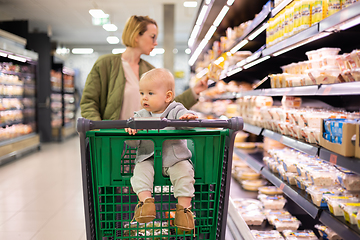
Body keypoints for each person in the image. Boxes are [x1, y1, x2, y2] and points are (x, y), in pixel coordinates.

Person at [80, 15, 208, 121]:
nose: (156, 43)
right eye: (152, 37)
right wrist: (99, 131)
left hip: (144, 142)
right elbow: (89, 102)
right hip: (114, 140)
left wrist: (194, 91)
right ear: (136, 36)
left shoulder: (149, 70)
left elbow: (167, 104)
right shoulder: (105, 64)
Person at [125, 68, 197, 232]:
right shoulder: (140, 116)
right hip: (148, 159)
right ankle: (146, 204)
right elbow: (132, 144)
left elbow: (189, 119)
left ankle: (184, 211)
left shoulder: (175, 109)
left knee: (185, 173)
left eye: (150, 93)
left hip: (176, 158)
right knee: (139, 172)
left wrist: (188, 118)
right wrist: (131, 132)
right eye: (142, 93)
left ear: (168, 96)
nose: (144, 97)